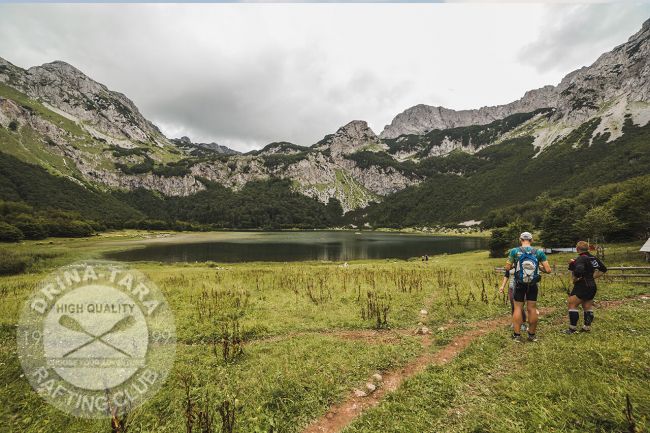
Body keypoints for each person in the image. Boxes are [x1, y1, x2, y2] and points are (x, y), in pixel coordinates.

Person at [504, 232, 552, 342]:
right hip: (533, 284)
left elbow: (507, 267)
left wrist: (516, 265)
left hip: (519, 283)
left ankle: (517, 336)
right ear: (531, 240)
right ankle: (531, 335)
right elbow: (548, 270)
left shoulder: (514, 251)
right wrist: (538, 267)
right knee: (532, 309)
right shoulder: (539, 252)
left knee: (518, 308)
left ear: (520, 239)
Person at [565, 241, 607, 334]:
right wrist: (593, 277)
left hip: (582, 285)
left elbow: (579, 270)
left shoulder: (581, 258)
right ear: (587, 248)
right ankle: (586, 328)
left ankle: (572, 329)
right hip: (592, 285)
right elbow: (603, 269)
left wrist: (575, 278)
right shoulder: (593, 258)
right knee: (587, 306)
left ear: (577, 249)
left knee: (572, 304)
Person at [499, 267, 526, 332]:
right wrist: (502, 286)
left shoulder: (523, 260)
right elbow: (506, 275)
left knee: (520, 306)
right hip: (511, 287)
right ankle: (515, 322)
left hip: (522, 287)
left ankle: (522, 323)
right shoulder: (510, 262)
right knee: (513, 305)